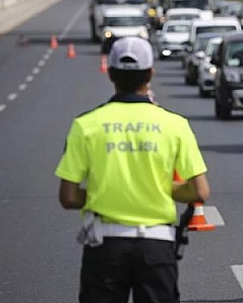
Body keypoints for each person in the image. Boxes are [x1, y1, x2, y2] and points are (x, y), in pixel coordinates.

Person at [55, 36, 210, 303]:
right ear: (150, 73)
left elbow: (68, 197)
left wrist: (102, 193)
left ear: (111, 74)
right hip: (157, 247)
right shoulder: (175, 125)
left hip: (104, 246)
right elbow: (200, 191)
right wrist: (160, 189)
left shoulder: (86, 125)